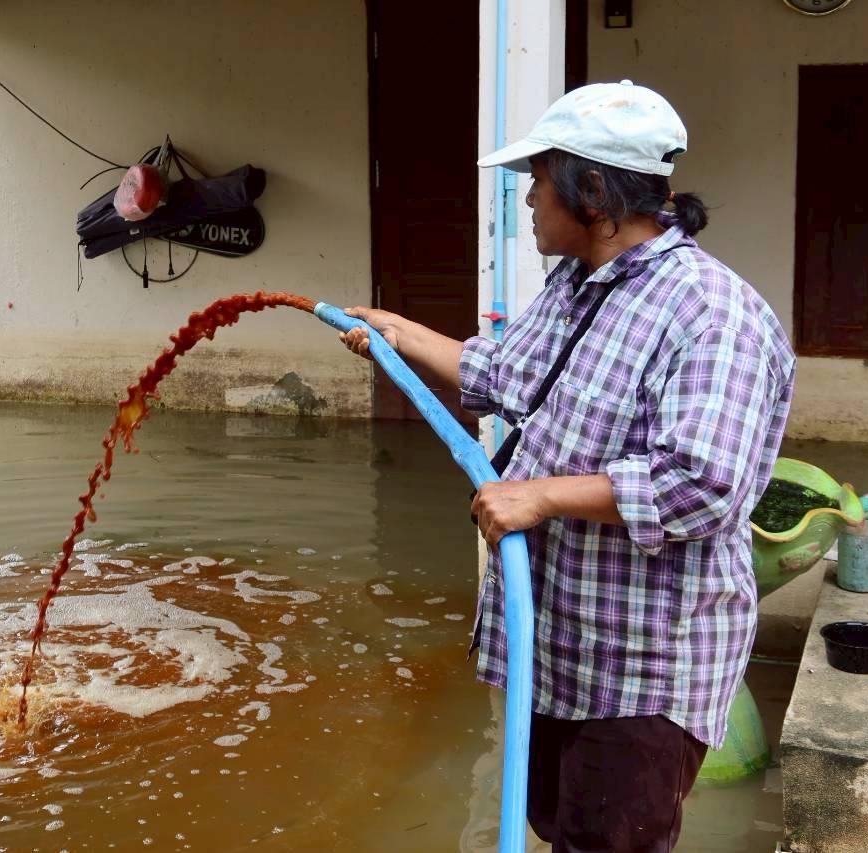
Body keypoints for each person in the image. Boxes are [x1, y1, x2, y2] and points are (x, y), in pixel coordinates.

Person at [340, 81, 795, 852]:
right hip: (560, 649)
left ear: (593, 191)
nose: (527, 202)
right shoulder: (577, 287)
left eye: (537, 184)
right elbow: (500, 375)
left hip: (643, 673)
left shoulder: (714, 315)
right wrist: (395, 332)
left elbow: (703, 484)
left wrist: (541, 496)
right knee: (558, 828)